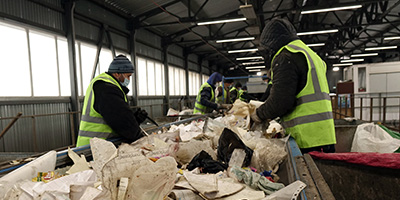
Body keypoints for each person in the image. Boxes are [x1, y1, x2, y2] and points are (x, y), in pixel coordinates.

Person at [250, 18, 336, 154]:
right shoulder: (310, 54)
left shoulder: (286, 57)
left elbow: (281, 102)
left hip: (308, 138)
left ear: (273, 44)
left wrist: (258, 114)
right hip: (325, 135)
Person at [76, 55, 148, 147]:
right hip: (92, 150)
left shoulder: (108, 86)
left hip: (101, 145)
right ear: (117, 74)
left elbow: (115, 117)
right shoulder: (106, 89)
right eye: (128, 76)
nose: (128, 80)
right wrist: (143, 141)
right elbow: (123, 123)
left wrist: (135, 119)